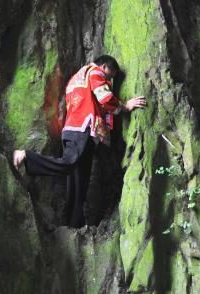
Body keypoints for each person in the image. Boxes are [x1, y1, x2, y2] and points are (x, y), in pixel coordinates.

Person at [12, 55, 146, 228]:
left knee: (79, 180)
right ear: (104, 67)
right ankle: (26, 157)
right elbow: (104, 97)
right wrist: (125, 105)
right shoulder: (95, 73)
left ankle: (74, 223)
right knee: (68, 164)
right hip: (82, 128)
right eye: (110, 76)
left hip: (74, 130)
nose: (109, 81)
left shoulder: (77, 77)